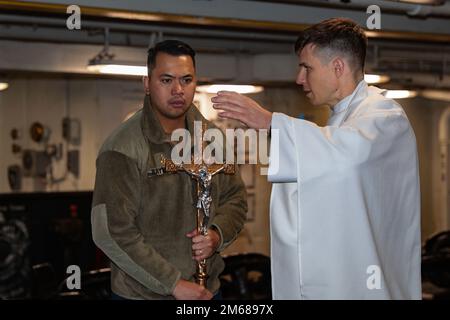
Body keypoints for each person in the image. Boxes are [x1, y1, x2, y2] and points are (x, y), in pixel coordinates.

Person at [212, 18, 421, 300]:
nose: (299, 79)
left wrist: (272, 123)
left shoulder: (384, 115)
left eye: (306, 68)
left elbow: (349, 156)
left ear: (337, 67)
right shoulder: (341, 121)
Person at [91, 40, 247, 300]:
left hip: (208, 291)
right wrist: (173, 284)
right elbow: (111, 231)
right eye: (166, 80)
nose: (178, 90)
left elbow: (236, 199)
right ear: (147, 84)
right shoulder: (123, 148)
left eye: (186, 80)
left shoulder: (212, 139)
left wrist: (216, 235)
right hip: (144, 295)